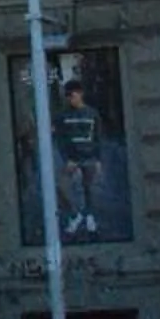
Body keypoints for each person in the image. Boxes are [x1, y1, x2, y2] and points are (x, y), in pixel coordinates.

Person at [54, 81, 105, 239]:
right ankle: (76, 214)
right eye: (67, 96)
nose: (70, 98)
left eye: (73, 95)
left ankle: (88, 216)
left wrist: (98, 159)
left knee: (90, 188)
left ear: (80, 94)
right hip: (73, 159)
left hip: (89, 157)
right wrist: (67, 158)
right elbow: (61, 140)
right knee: (63, 187)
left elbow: (98, 137)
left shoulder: (92, 114)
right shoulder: (63, 116)